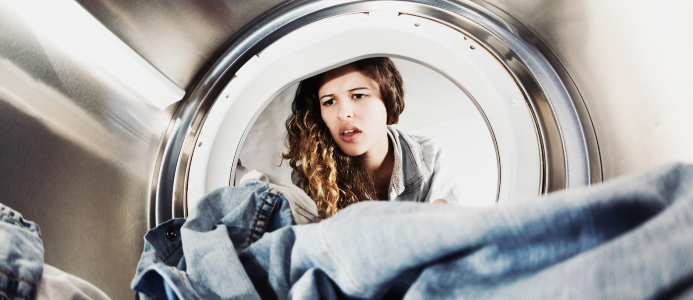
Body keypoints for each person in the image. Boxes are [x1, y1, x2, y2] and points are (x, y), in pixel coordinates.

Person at [283, 57, 462, 217]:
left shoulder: (427, 157)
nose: (343, 113)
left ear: (388, 98)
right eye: (329, 101)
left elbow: (447, 236)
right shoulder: (311, 177)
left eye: (358, 95)